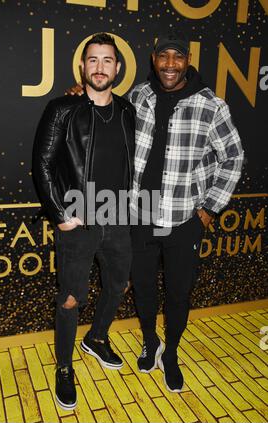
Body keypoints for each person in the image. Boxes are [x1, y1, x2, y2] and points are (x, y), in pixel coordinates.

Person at [65, 28, 244, 394]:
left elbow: (233, 157)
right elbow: (104, 111)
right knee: (144, 289)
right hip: (140, 216)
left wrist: (210, 207)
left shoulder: (211, 105)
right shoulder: (139, 96)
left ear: (187, 62)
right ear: (154, 60)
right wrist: (78, 96)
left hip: (184, 220)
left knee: (179, 294)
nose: (170, 64)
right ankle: (150, 342)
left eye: (178, 57)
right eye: (164, 56)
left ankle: (172, 353)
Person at [32, 33, 135, 410]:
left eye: (107, 60)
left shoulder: (127, 111)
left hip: (118, 215)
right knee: (71, 298)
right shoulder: (62, 109)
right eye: (93, 60)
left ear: (117, 67)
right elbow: (41, 165)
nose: (99, 67)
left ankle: (97, 338)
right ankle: (63, 366)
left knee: (119, 286)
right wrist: (60, 215)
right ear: (82, 66)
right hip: (78, 218)